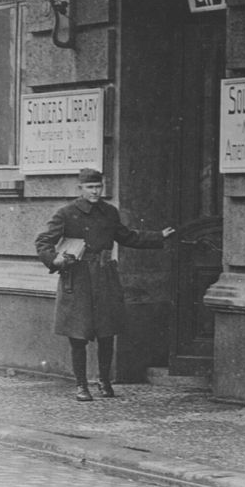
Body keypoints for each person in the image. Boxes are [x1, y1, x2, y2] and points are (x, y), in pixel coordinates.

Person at [35, 168, 175, 402]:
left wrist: (158, 236)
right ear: (80, 189)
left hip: (105, 277)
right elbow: (43, 242)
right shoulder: (66, 214)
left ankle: (104, 381)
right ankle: (81, 385)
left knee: (106, 332)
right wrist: (55, 259)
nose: (95, 191)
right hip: (77, 279)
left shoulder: (109, 212)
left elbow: (127, 236)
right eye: (90, 187)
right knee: (78, 335)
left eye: (98, 187)